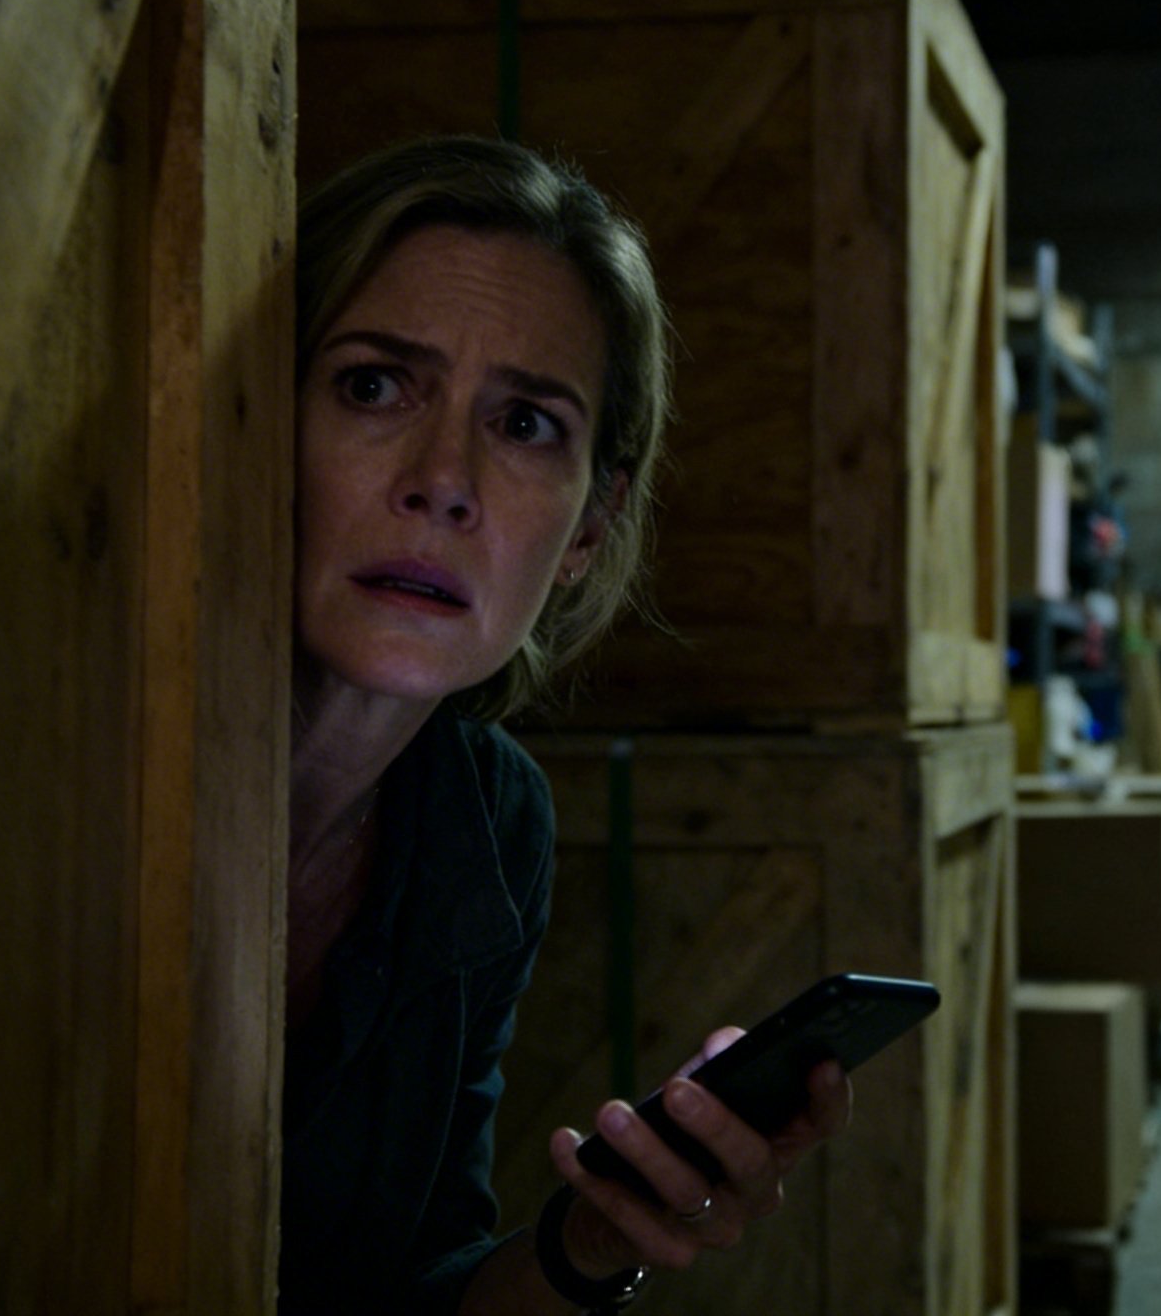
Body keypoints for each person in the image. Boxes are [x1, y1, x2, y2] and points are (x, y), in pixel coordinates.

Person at [280, 135, 850, 1313]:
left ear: (589, 528)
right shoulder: (84, 751)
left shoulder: (487, 822)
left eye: (526, 424)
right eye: (374, 386)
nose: (443, 480)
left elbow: (407, 1293)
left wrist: (595, 1240)